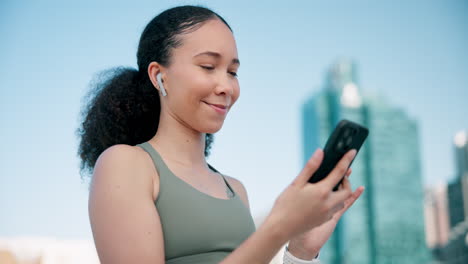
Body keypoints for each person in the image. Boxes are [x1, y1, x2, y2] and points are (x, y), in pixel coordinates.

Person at [76, 5, 364, 264]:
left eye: (233, 72)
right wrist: (279, 227)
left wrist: (300, 251)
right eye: (208, 67)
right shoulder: (125, 164)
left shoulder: (235, 190)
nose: (226, 86)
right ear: (157, 75)